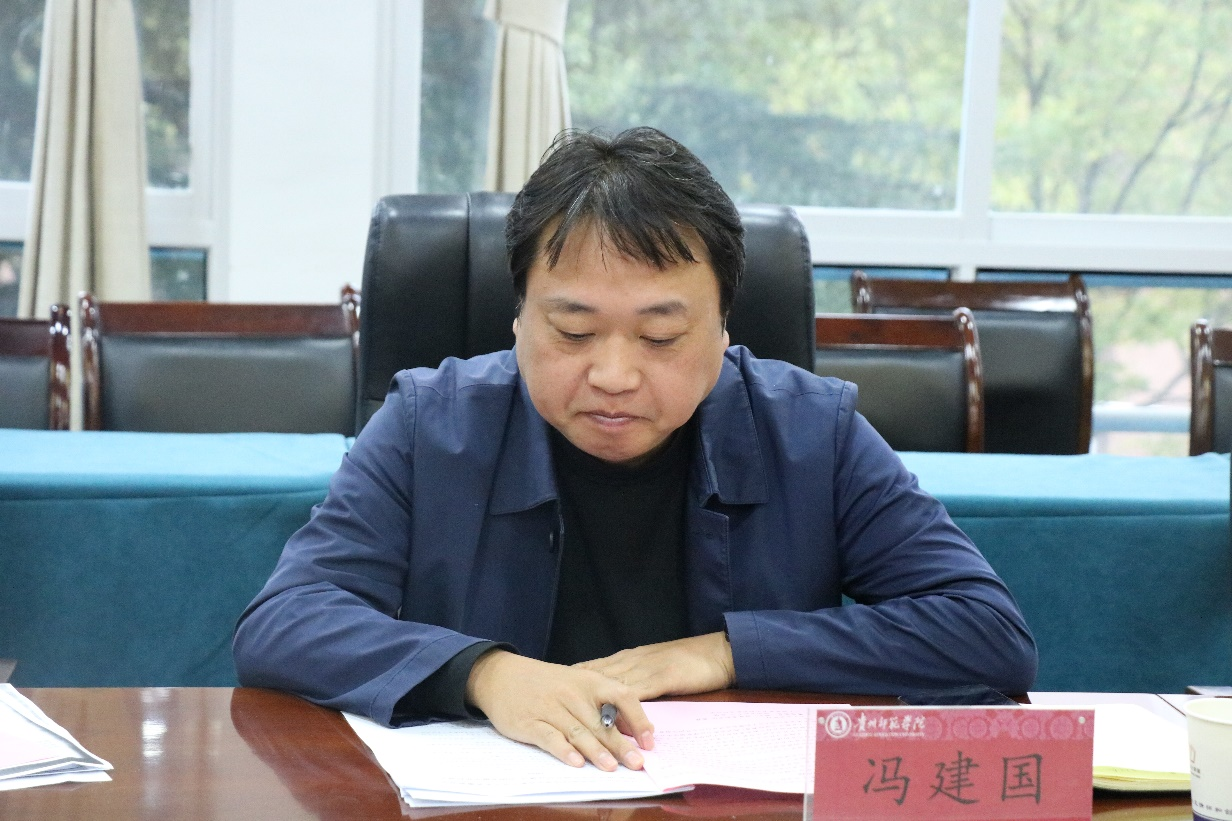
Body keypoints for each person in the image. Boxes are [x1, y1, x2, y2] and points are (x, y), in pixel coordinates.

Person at [233, 126, 1036, 775]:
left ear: (722, 331)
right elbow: (286, 620)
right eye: (573, 331)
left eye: (660, 336)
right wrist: (484, 673)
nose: (613, 375)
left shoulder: (810, 432)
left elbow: (986, 633)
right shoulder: (428, 424)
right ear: (518, 320)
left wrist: (727, 652)